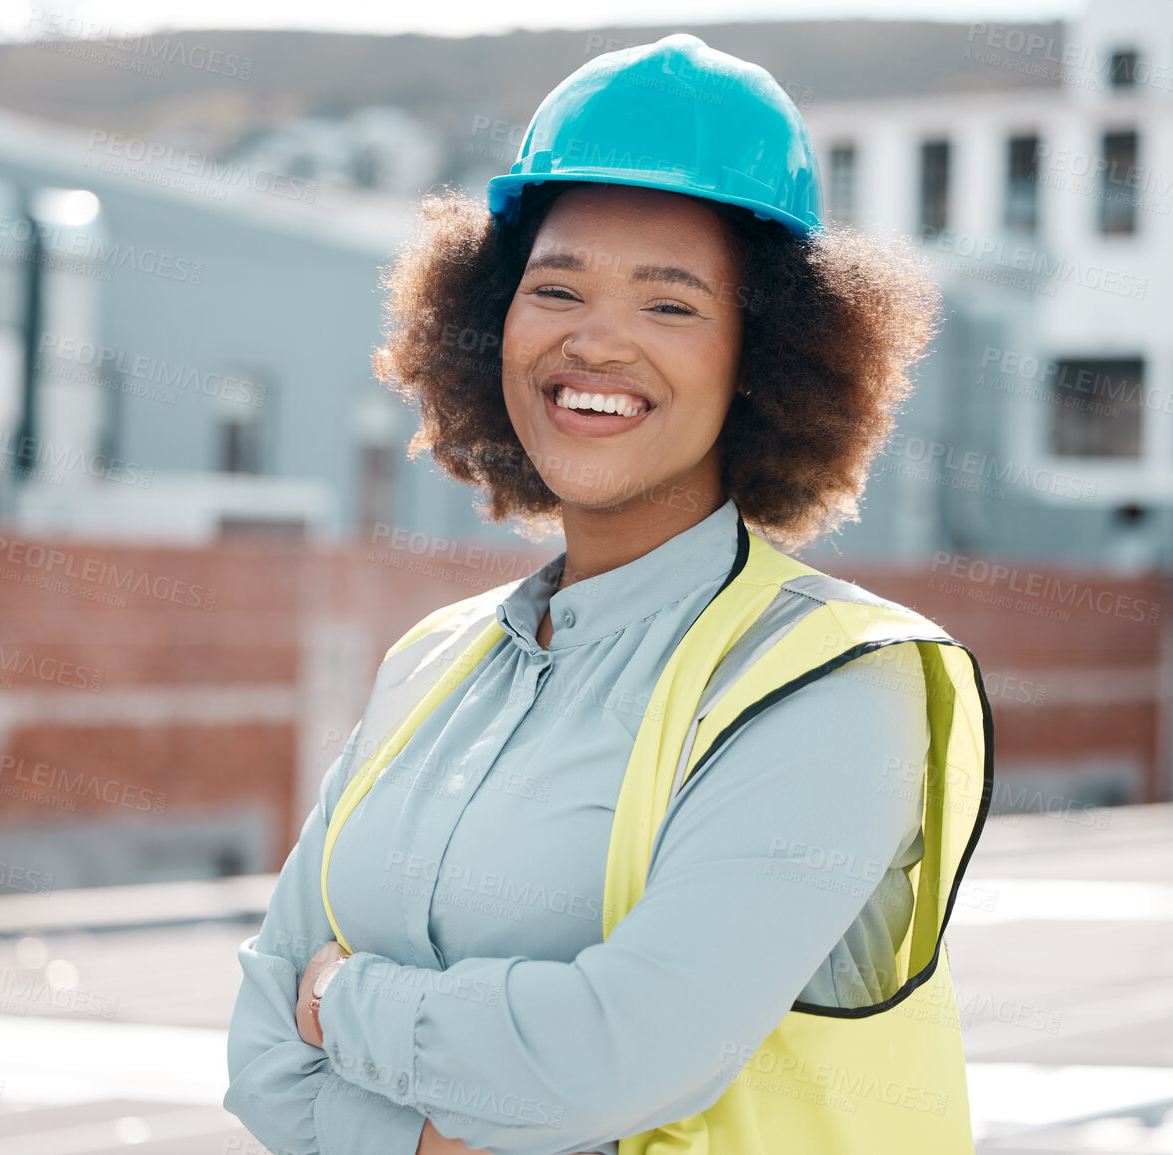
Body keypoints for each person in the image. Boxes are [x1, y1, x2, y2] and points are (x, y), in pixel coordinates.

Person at [224, 33, 992, 1155]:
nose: (597, 340)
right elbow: (257, 1050)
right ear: (491, 323)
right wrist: (434, 1137)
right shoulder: (433, 662)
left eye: (671, 306)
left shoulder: (838, 683)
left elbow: (614, 1060)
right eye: (557, 288)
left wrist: (345, 1005)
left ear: (763, 359)